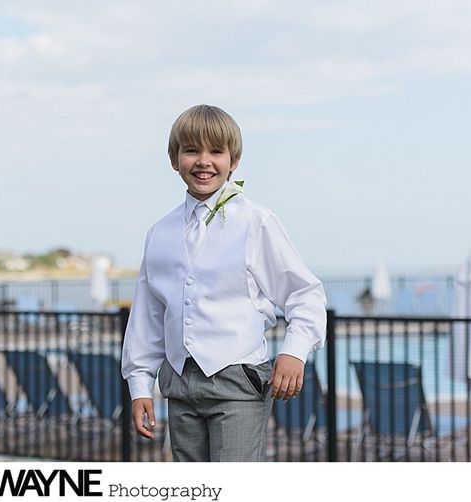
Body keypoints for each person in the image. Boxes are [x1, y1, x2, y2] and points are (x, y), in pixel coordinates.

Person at [121, 104, 326, 461]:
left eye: (216, 151)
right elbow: (148, 317)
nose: (204, 161)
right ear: (174, 159)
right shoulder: (159, 233)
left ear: (234, 161)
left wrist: (294, 351)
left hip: (237, 384)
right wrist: (140, 385)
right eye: (191, 151)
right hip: (179, 386)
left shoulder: (256, 221)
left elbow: (304, 293)